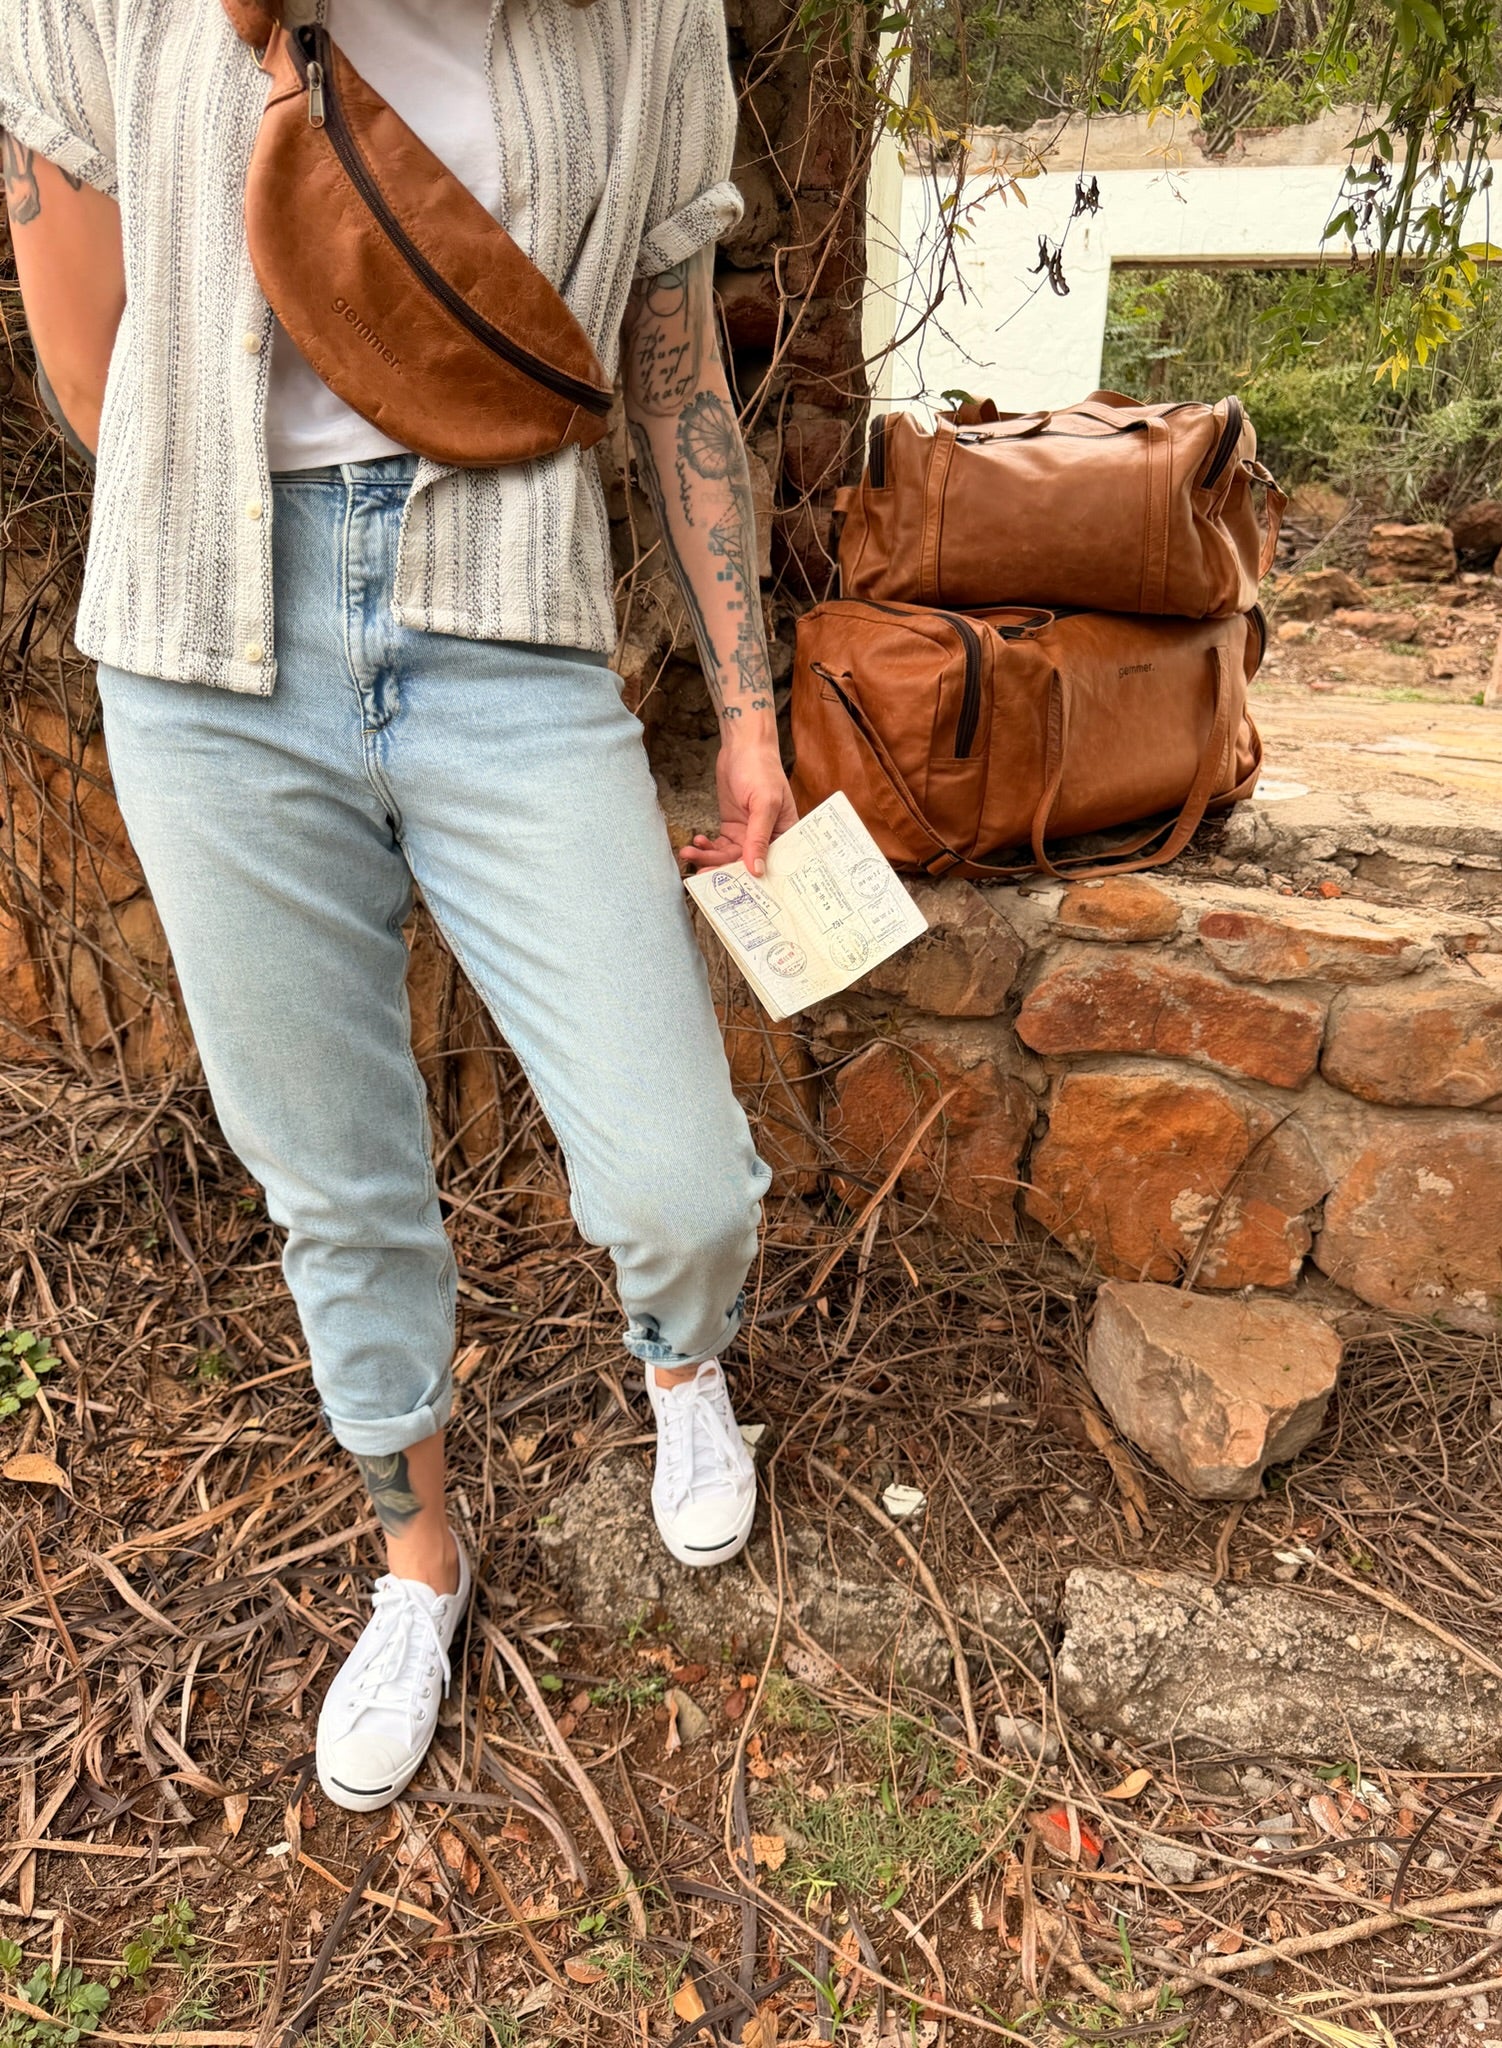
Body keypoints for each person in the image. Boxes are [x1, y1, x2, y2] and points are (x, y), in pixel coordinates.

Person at [1, 0, 795, 1813]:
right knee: (334, 1181)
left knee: (679, 1180)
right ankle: (417, 1563)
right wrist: (224, 553)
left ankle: (683, 1368)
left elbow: (677, 378)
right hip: (210, 656)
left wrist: (748, 713)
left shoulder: (644, 20)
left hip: (508, 625)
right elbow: (89, 365)